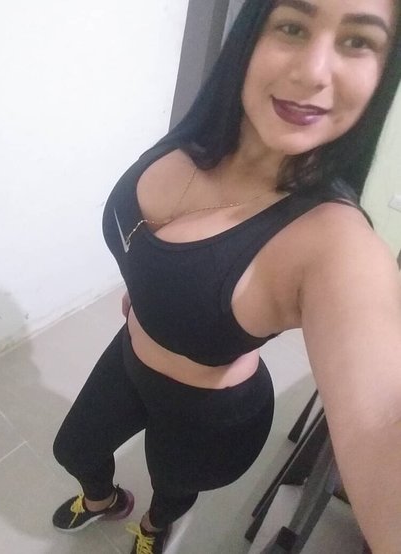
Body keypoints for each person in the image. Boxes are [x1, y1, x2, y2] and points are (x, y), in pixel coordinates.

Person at [52, 0, 401, 552]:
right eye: (292, 27)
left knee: (171, 488)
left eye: (357, 41)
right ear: (250, 36)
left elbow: (383, 415)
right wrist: (151, 293)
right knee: (73, 449)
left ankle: (153, 530)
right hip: (128, 355)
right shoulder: (200, 137)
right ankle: (104, 502)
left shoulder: (336, 242)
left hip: (207, 412)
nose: (313, 71)